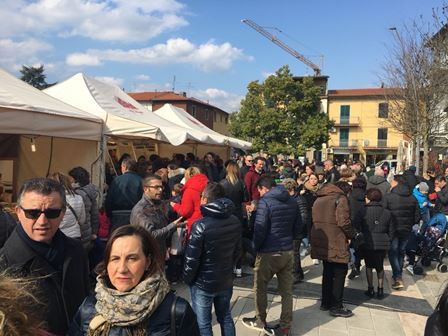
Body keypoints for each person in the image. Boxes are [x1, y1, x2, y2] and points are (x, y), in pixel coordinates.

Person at [69, 225, 199, 335]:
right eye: (115, 258)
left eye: (132, 259)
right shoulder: (89, 307)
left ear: (147, 262)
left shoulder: (176, 311)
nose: (122, 269)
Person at [0, 178, 90, 335]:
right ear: (19, 212)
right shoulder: (4, 263)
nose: (42, 221)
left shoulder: (76, 251)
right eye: (32, 213)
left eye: (52, 213)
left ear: (62, 213)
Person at [242, 176, 300, 336]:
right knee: (286, 291)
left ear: (263, 188)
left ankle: (260, 320)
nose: (259, 194)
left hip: (268, 251)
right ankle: (285, 327)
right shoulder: (292, 200)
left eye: (259, 191)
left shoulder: (265, 203)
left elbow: (260, 230)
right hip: (287, 250)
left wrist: (256, 248)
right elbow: (298, 226)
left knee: (260, 287)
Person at [183, 182, 241, 336]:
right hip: (225, 279)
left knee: (203, 324)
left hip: (203, 283)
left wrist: (188, 279)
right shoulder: (234, 220)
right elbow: (237, 251)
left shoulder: (200, 225)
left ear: (205, 199)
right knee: (226, 317)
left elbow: (191, 259)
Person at [310, 181, 356, 318]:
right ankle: (336, 306)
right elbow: (343, 222)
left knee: (327, 271)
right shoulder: (340, 199)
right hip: (336, 239)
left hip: (322, 240)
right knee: (340, 272)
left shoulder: (319, 198)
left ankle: (325, 302)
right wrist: (353, 234)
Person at [130, 175, 184, 259]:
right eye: (156, 187)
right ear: (146, 189)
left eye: (161, 187)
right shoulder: (141, 210)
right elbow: (151, 235)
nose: (160, 190)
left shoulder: (156, 204)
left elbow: (162, 228)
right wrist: (172, 225)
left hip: (158, 256)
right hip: (148, 258)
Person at [384, 174, 419, 290]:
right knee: (401, 251)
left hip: (392, 229)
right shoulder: (413, 197)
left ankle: (398, 276)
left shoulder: (389, 197)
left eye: (392, 181)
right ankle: (397, 275)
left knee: (393, 252)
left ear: (397, 182)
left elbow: (384, 213)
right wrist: (409, 223)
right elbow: (417, 216)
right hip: (406, 229)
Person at [360, 188, 393, 299]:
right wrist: (388, 239)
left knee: (368, 266)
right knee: (380, 266)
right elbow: (391, 229)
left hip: (367, 241)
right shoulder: (387, 212)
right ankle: (380, 290)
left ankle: (370, 289)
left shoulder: (362, 211)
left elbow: (356, 225)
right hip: (382, 242)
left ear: (368, 198)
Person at [219, 161, 249, 278]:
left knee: (226, 242)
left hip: (225, 215)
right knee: (238, 242)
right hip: (237, 215)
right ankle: (238, 267)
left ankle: (228, 267)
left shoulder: (222, 183)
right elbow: (246, 198)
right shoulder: (241, 183)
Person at [105, 158, 143, 233]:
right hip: (136, 214)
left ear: (124, 167)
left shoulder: (116, 180)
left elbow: (109, 199)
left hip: (117, 215)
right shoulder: (141, 180)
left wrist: (109, 214)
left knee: (118, 237)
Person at [283, 178, 308, 283]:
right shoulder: (290, 198)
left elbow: (303, 218)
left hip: (295, 232)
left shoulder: (299, 199)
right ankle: (299, 273)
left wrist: (294, 229)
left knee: (294, 254)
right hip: (290, 230)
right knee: (293, 253)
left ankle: (295, 275)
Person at [68, 166, 100, 250]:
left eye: (70, 178)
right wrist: (94, 232)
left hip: (76, 233)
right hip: (87, 233)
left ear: (75, 179)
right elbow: (95, 215)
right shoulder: (90, 193)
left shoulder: (75, 194)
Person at [48, 172, 86, 240]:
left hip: (56, 236)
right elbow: (82, 220)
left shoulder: (50, 200)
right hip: (75, 235)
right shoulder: (78, 198)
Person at [172, 166, 209, 234]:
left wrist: (175, 206)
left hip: (195, 223)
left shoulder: (189, 190)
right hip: (209, 220)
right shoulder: (208, 184)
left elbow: (186, 212)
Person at [347, 177, 367, 280]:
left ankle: (354, 266)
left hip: (352, 224)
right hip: (364, 225)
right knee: (360, 247)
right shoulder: (366, 196)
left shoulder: (350, 196)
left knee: (351, 247)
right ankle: (358, 265)